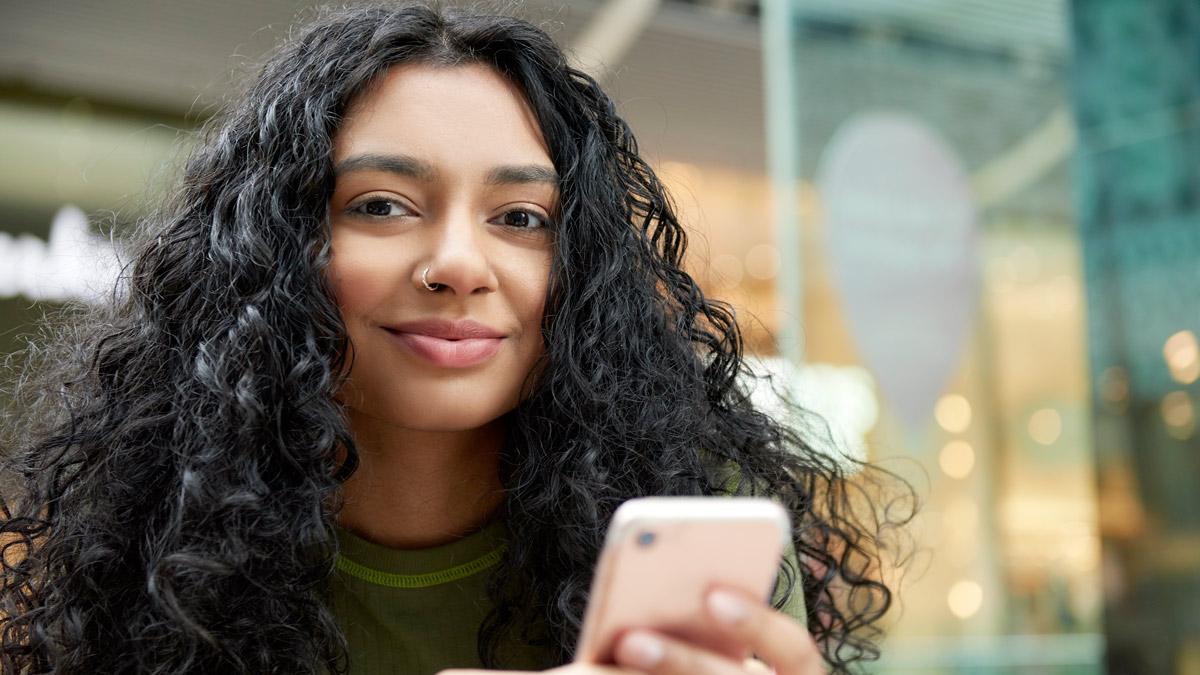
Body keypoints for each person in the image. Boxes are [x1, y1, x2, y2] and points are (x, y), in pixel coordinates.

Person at [0, 4, 909, 674]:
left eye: (520, 216)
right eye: (383, 206)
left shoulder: (692, 510)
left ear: (580, 271)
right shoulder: (156, 537)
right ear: (278, 248)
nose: (459, 264)